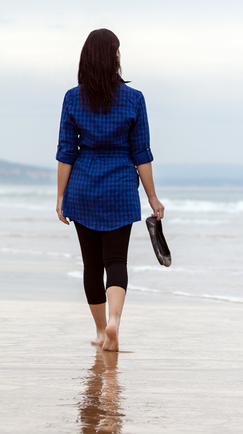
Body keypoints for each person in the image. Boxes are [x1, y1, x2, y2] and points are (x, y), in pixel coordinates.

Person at [56, 28, 164, 351]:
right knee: (116, 260)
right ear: (112, 57)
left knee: (91, 264)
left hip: (83, 186)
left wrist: (60, 197)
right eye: (117, 50)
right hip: (119, 186)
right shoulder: (134, 99)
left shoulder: (73, 98)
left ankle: (102, 332)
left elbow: (66, 151)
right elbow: (141, 153)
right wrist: (152, 197)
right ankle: (116, 320)